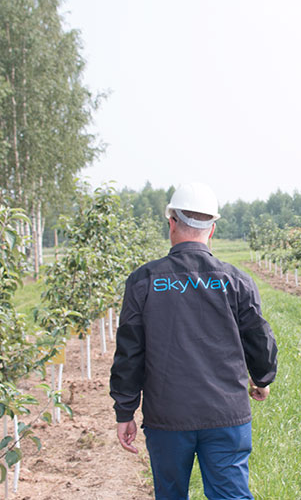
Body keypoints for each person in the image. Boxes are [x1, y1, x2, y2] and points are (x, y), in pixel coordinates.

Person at [110, 181, 278, 500]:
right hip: (226, 415)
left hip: (167, 416)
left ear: (171, 222)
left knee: (170, 494)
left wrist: (125, 411)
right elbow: (258, 337)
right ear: (211, 229)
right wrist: (262, 379)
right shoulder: (236, 281)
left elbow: (129, 353)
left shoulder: (144, 281)